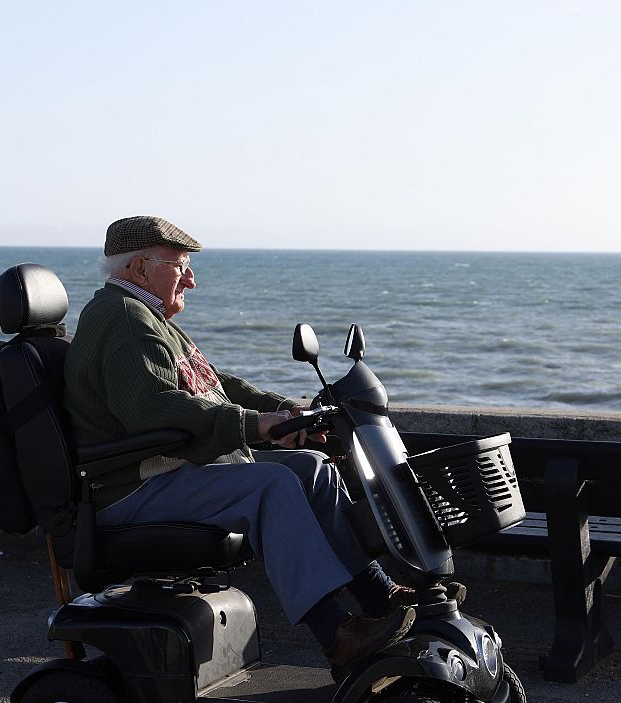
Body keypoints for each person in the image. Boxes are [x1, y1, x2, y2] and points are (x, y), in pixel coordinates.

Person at [63, 215, 414, 666]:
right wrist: (253, 425)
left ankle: (378, 594)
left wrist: (285, 412)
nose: (191, 278)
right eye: (179, 264)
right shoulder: (124, 318)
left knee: (310, 467)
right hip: (133, 486)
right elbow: (154, 408)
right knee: (271, 485)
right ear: (138, 268)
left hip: (168, 470)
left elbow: (211, 383)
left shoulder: (143, 314)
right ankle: (337, 634)